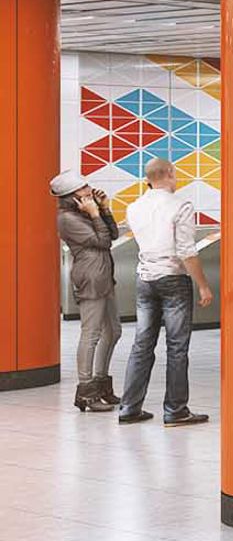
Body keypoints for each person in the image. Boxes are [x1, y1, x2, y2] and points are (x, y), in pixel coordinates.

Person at [117, 158, 212, 427]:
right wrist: (203, 284)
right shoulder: (180, 205)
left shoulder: (134, 207)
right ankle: (175, 410)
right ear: (170, 174)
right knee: (177, 347)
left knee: (142, 344)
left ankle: (129, 408)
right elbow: (186, 251)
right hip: (173, 280)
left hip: (145, 279)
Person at [53, 173, 121, 413]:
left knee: (113, 331)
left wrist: (103, 209)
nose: (89, 189)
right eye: (84, 188)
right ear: (72, 196)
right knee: (91, 334)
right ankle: (86, 391)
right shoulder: (67, 219)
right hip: (90, 277)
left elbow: (113, 234)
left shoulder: (83, 213)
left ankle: (101, 384)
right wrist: (94, 214)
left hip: (103, 275)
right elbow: (102, 242)